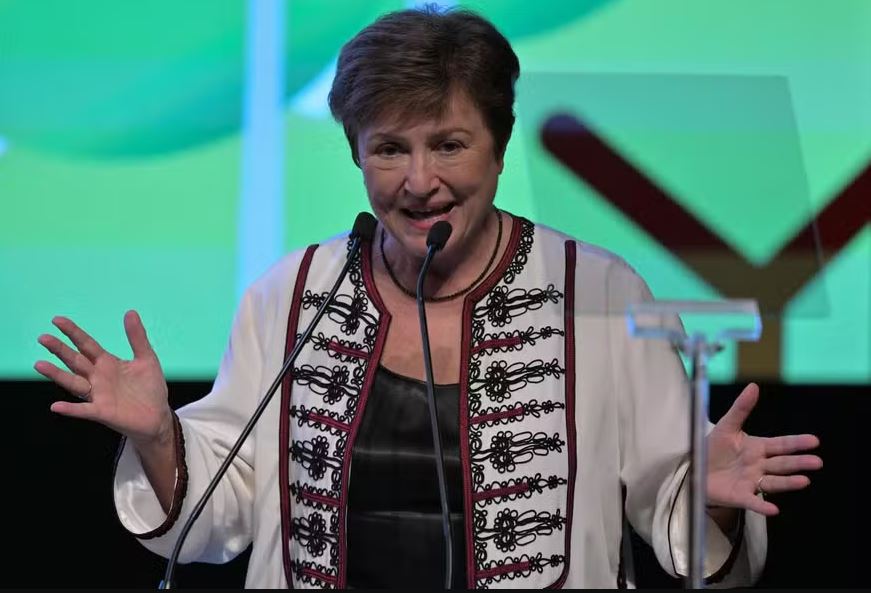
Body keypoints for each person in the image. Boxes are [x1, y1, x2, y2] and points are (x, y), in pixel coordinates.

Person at [34, 6, 822, 589]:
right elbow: (226, 505)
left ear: (500, 147)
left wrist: (710, 498)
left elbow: (667, 501)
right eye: (388, 148)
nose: (419, 182)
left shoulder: (601, 292)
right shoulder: (293, 293)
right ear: (355, 153)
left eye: (448, 144)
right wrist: (160, 437)